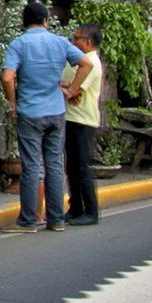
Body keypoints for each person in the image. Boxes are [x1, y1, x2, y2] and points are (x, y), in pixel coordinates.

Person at [2, 1, 91, 232]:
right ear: (46, 21)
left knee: (31, 167)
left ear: (24, 22)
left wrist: (12, 101)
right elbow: (86, 63)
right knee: (54, 164)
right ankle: (56, 220)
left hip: (30, 112)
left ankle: (28, 221)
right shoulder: (60, 42)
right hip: (56, 111)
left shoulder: (18, 45)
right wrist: (71, 89)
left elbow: (7, 77)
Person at [63, 24, 105, 226]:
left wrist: (67, 88)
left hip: (83, 120)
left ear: (87, 42)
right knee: (71, 167)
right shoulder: (79, 62)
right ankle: (76, 207)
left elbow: (75, 91)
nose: (73, 41)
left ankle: (91, 211)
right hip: (72, 117)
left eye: (77, 37)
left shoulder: (91, 63)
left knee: (81, 167)